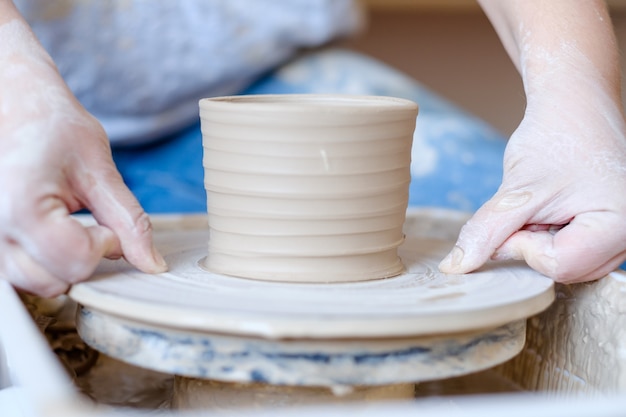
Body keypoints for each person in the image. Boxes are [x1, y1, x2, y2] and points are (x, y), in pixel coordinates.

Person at [0, 0, 624, 297]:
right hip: (22, 95)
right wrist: (14, 81)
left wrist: (576, 94)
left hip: (267, 77)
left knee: (580, 251)